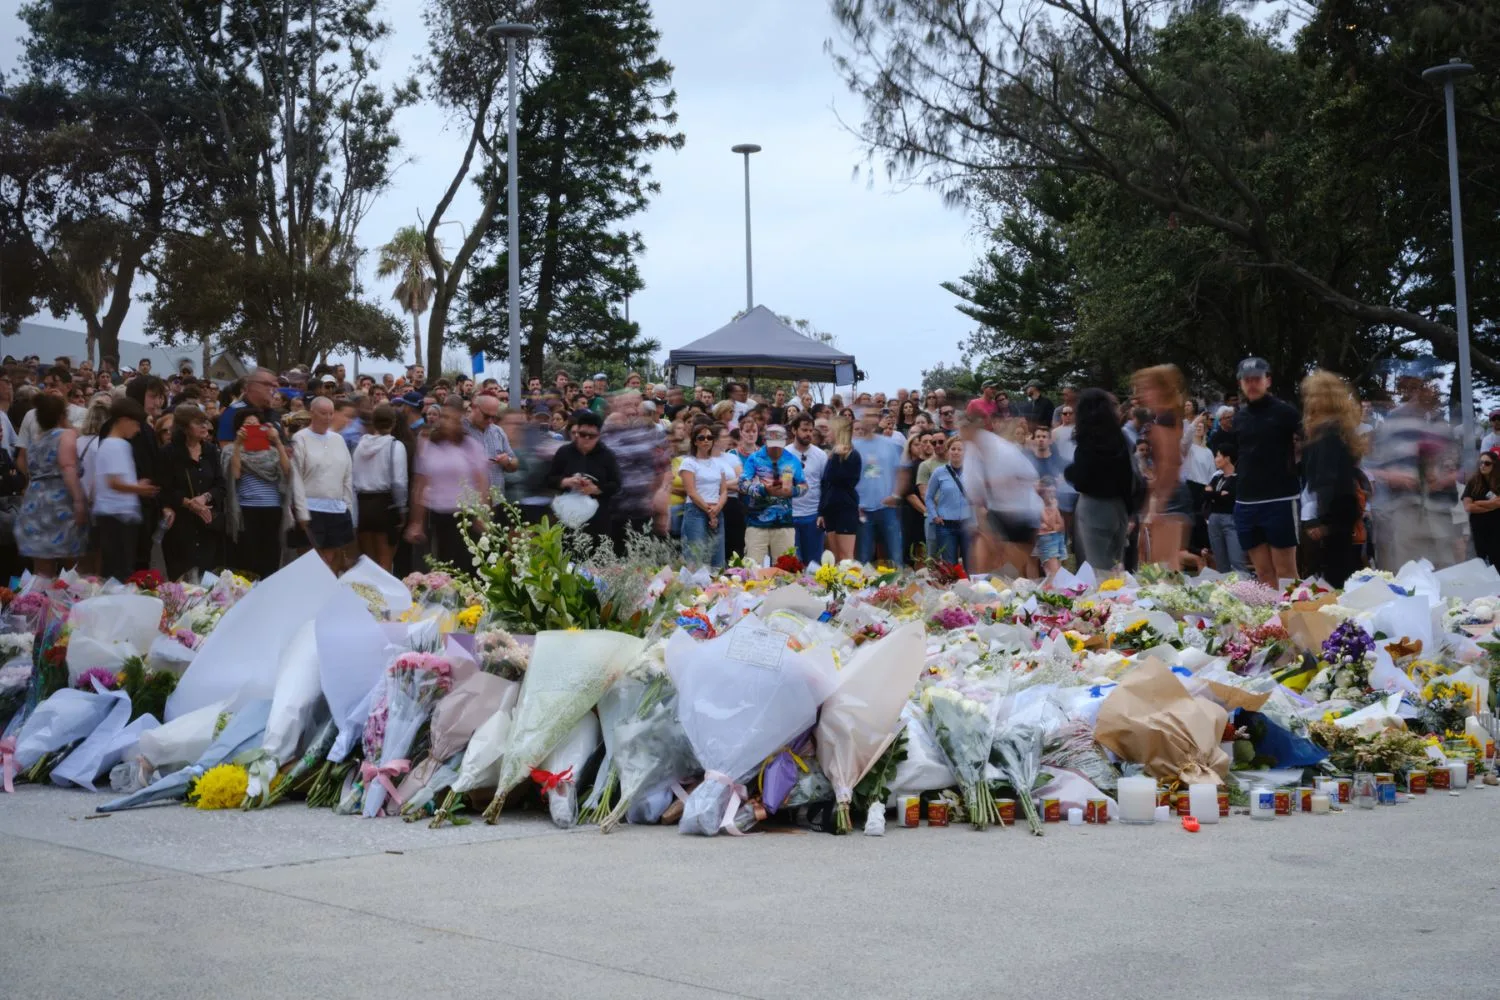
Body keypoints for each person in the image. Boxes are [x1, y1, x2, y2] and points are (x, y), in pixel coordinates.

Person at [1368, 369, 1459, 571]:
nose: (1429, 391)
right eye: (1421, 386)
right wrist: (1394, 476)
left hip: (1441, 513)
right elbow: (1374, 467)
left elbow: (1463, 468)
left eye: (1432, 386)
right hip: (1405, 513)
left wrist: (1444, 479)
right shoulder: (1393, 421)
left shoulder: (1442, 424)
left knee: (1446, 573)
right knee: (1409, 574)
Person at [1231, 357, 1302, 585]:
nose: (1251, 384)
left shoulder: (1286, 412)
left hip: (1280, 499)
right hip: (1246, 502)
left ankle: (1296, 620)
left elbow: (1310, 442)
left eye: (1257, 379)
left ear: (1267, 381)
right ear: (1241, 383)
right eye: (1246, 380)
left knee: (1286, 573)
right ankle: (1270, 621)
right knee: (1263, 574)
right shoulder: (1239, 417)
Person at [1300, 371, 1365, 588]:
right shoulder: (1340, 429)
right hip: (1340, 508)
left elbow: (1325, 478)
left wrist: (1320, 520)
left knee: (1333, 575)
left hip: (1332, 511)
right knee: (1340, 571)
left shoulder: (1326, 431)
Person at [405, 401, 488, 569]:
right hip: (438, 514)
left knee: (466, 564)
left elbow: (482, 482)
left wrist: (483, 514)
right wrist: (416, 522)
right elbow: (420, 485)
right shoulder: (428, 446)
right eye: (443, 417)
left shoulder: (470, 446)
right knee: (442, 563)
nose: (445, 421)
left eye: (450, 418)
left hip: (466, 514)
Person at [14, 394, 88, 576]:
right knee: (72, 567)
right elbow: (67, 466)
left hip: (34, 502)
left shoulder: (37, 440)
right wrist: (79, 501)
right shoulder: (66, 435)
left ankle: (41, 601)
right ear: (62, 415)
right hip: (60, 502)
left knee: (42, 570)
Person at [1064, 388, 1134, 571]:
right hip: (1118, 508)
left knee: (1095, 567)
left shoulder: (1087, 443)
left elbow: (1082, 480)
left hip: (1094, 508)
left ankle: (1102, 600)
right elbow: (1128, 478)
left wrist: (1069, 472)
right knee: (1116, 565)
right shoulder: (1120, 439)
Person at [961, 414, 1040, 575]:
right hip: (995, 510)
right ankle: (982, 592)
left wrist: (1001, 482)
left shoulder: (1002, 448)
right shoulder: (970, 451)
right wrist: (986, 532)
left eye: (964, 427)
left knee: (1016, 569)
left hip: (1021, 511)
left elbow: (1030, 477)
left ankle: (1022, 593)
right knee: (982, 561)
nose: (961, 432)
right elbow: (975, 497)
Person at [91, 398, 159, 582]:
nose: (137, 429)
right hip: (115, 516)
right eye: (136, 424)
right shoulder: (112, 445)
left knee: (123, 568)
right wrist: (138, 488)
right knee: (118, 572)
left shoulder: (119, 444)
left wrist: (136, 485)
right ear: (123, 421)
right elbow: (113, 482)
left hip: (122, 515)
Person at [160, 405, 226, 580]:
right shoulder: (169, 453)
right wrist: (189, 503)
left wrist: (205, 498)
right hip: (181, 526)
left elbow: (221, 485)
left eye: (205, 422)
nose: (205, 426)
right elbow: (163, 490)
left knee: (208, 579)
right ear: (184, 427)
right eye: (198, 423)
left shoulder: (211, 451)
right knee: (182, 582)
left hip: (208, 523)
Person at [290, 397, 356, 571]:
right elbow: (295, 476)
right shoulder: (300, 438)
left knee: (333, 561)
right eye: (323, 413)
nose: (327, 417)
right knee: (311, 563)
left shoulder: (338, 440)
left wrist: (347, 506)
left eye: (331, 413)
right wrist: (301, 510)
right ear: (312, 412)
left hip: (336, 509)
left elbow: (347, 475)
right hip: (311, 510)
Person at [1133, 365, 1188, 570]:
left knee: (1162, 569)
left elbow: (1170, 461)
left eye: (1146, 388)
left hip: (1169, 495)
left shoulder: (1164, 420)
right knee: (1163, 566)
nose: (1142, 395)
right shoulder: (1167, 416)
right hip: (1171, 493)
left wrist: (1158, 500)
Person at [544, 409, 621, 542]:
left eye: (591, 436)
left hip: (597, 519)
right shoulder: (564, 452)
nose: (586, 439)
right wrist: (566, 481)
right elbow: (549, 479)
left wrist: (596, 489)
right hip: (567, 516)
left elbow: (616, 484)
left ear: (599, 436)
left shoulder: (607, 455)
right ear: (576, 432)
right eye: (583, 434)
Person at [738, 424, 806, 564]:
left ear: (786, 441)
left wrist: (792, 491)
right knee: (753, 568)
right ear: (764, 441)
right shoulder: (754, 458)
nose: (775, 448)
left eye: (779, 444)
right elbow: (742, 484)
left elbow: (803, 485)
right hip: (756, 523)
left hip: (784, 523)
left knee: (785, 569)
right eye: (772, 444)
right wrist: (763, 490)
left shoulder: (792, 460)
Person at [352, 404, 409, 571]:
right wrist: (402, 508)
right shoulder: (395, 446)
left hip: (363, 504)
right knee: (385, 563)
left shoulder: (359, 446)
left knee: (368, 563)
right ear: (393, 423)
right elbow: (399, 481)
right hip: (385, 505)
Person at [679, 423, 730, 568]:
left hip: (717, 510)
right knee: (695, 558)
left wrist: (717, 508)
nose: (706, 440)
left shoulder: (719, 464)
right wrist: (710, 512)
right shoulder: (688, 462)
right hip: (696, 511)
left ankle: (717, 590)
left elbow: (724, 491)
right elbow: (692, 492)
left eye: (709, 437)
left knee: (718, 559)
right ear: (695, 441)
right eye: (701, 438)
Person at [818, 418, 862, 562]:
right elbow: (825, 484)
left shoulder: (852, 455)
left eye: (829, 430)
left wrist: (837, 456)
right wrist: (821, 512)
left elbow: (839, 478)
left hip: (845, 509)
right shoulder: (832, 455)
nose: (826, 433)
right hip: (830, 509)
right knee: (835, 558)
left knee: (846, 558)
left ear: (838, 431)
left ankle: (850, 583)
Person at [787, 414, 828, 564]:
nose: (808, 434)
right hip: (790, 515)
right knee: (792, 564)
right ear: (794, 430)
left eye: (811, 430)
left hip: (813, 515)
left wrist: (823, 512)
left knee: (814, 565)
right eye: (804, 430)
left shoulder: (820, 455)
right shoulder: (784, 454)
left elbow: (826, 485)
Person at [1204, 443, 1250, 574]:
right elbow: (1205, 494)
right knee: (1220, 561)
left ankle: (1243, 588)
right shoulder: (1216, 477)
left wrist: (1213, 495)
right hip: (1214, 519)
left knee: (1237, 560)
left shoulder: (1238, 478)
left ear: (1227, 458)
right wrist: (1218, 494)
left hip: (1231, 519)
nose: (1215, 459)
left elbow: (1230, 497)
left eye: (1218, 456)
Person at [924, 436, 969, 565]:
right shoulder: (939, 472)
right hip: (946, 525)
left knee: (970, 564)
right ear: (948, 451)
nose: (956, 452)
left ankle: (970, 585)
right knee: (950, 565)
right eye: (953, 449)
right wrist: (934, 516)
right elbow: (928, 497)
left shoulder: (972, 471)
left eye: (959, 449)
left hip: (967, 524)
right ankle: (953, 586)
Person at [1463, 452, 1500, 567]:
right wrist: (1491, 504)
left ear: (1494, 465)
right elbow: (1468, 506)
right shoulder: (1473, 482)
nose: (1483, 465)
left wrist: (1478, 503)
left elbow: (1498, 503)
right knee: (1480, 561)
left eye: (1487, 463)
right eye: (1481, 463)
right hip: (1478, 529)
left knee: (1497, 561)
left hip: (1497, 528)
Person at [1036, 483, 1066, 578]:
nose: (1052, 494)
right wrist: (1053, 508)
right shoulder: (1039, 505)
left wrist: (1053, 526)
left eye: (1053, 491)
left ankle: (1054, 590)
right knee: (1053, 573)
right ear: (1042, 493)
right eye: (1049, 492)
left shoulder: (1053, 503)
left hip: (1057, 538)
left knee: (1059, 571)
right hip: (1047, 539)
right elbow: (1050, 523)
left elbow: (1061, 525)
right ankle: (1051, 590)